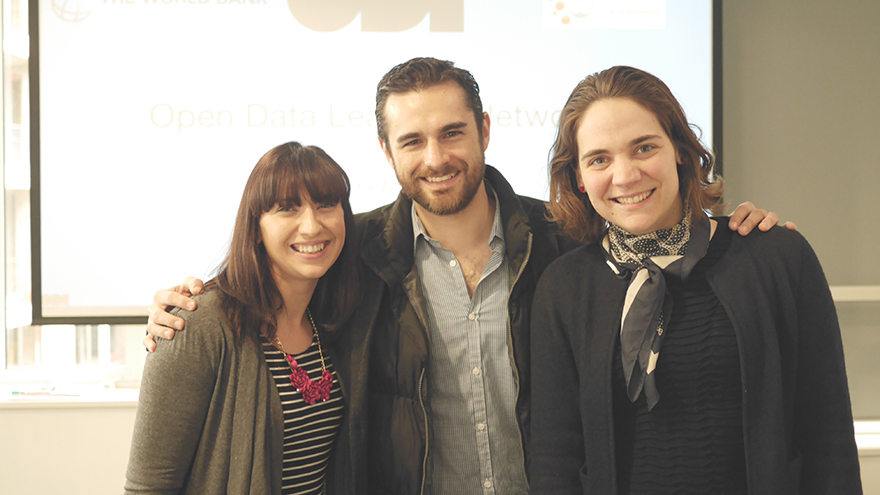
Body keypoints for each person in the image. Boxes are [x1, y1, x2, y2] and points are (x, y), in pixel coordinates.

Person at [143, 58, 785, 495]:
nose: (436, 157)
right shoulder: (353, 252)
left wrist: (733, 229)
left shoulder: (566, 240)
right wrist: (185, 303)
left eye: (452, 132)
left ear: (482, 131)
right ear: (386, 153)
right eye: (413, 140)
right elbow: (276, 272)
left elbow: (658, 241)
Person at [529, 66, 861, 494]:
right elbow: (556, 458)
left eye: (644, 147)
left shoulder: (776, 257)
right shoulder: (565, 287)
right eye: (599, 159)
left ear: (681, 151)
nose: (625, 175)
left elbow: (826, 433)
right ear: (578, 176)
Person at [125, 142, 360, 495]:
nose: (311, 226)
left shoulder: (332, 321)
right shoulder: (196, 325)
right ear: (257, 228)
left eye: (326, 204)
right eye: (287, 208)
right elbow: (149, 486)